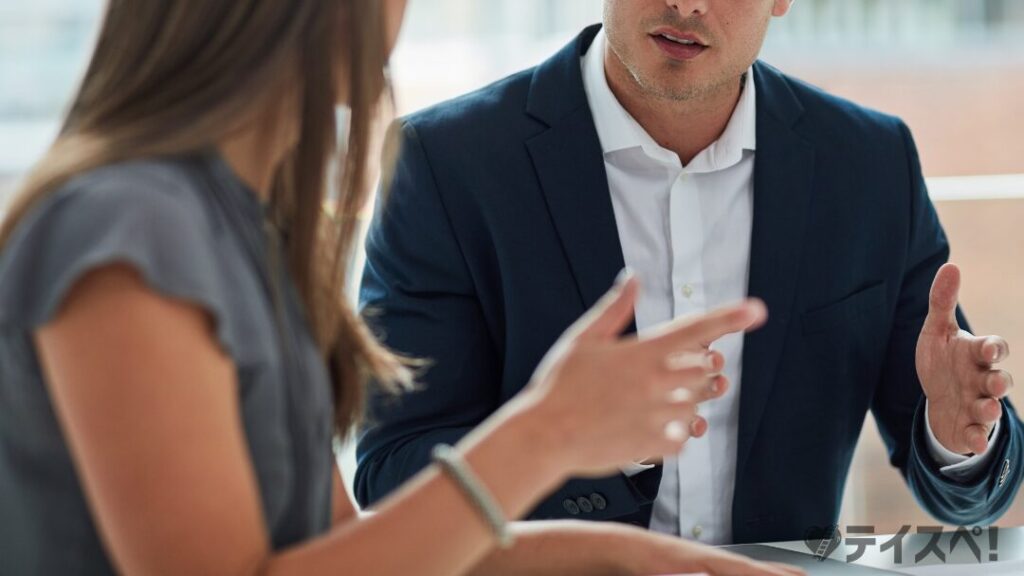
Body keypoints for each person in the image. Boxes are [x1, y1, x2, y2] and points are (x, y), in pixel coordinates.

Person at [0, 1, 806, 575]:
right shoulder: (125, 231)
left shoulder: (238, 229)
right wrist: (547, 432)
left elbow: (346, 552)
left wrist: (634, 560)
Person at [356, 0, 1024, 545]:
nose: (686, 4)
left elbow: (962, 498)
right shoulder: (444, 164)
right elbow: (390, 474)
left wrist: (959, 433)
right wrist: (568, 433)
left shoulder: (870, 165)